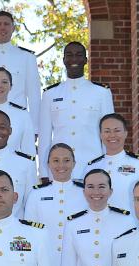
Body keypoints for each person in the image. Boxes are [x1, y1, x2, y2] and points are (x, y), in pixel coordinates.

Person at [38, 42, 114, 180]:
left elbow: (108, 134)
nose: (74, 59)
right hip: (60, 170)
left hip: (93, 168)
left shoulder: (101, 93)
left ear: (85, 60)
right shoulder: (50, 94)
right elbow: (45, 138)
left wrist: (108, 169)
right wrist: (44, 173)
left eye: (79, 55)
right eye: (69, 55)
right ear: (63, 60)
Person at [84, 113, 139, 221]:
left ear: (125, 133)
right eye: (107, 131)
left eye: (117, 130)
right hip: (98, 226)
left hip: (130, 226)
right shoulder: (91, 167)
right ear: (101, 135)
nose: (112, 135)